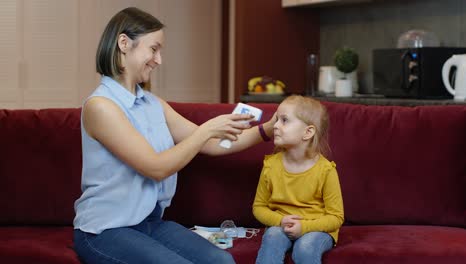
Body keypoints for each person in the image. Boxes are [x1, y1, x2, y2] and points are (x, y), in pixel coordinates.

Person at [73, 7, 275, 264]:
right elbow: (155, 168)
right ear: (124, 43)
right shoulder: (101, 106)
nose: (158, 60)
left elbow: (214, 144)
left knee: (222, 261)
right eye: (153, 49)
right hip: (104, 231)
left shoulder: (153, 104)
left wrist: (267, 130)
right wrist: (206, 130)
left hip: (148, 224)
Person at [252, 95, 344, 264]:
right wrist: (280, 221)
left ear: (308, 132)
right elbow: (259, 207)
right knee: (272, 236)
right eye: (276, 119)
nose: (275, 126)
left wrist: (305, 227)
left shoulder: (326, 170)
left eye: (284, 120)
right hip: (281, 226)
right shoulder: (271, 165)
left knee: (305, 247)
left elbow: (336, 217)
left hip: (317, 228)